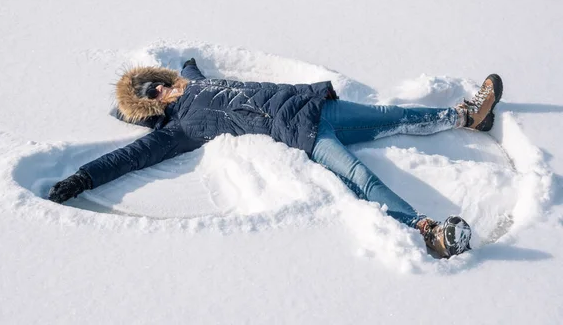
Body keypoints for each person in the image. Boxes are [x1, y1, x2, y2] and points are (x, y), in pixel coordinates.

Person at [48, 58, 503, 258]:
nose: (163, 89)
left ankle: (466, 116)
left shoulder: (193, 81)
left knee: (396, 115)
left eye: (157, 82)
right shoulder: (178, 129)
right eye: (153, 94)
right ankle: (427, 231)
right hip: (302, 134)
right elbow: (130, 157)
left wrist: (185, 66)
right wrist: (83, 179)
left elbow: (190, 69)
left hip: (317, 107)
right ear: (154, 105)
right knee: (360, 179)